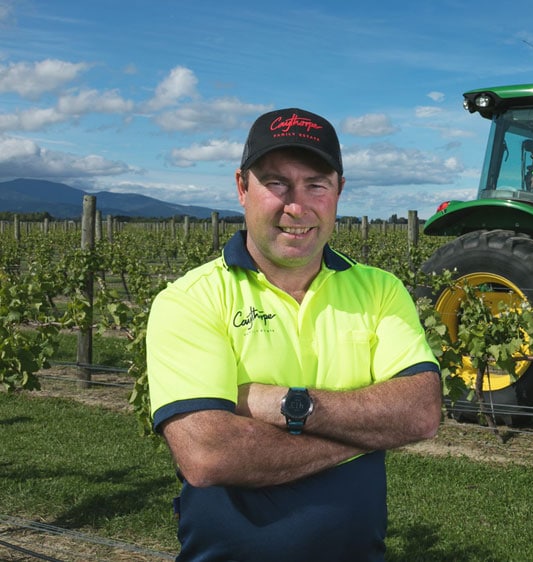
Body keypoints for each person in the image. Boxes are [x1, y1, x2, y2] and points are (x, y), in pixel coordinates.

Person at [146, 107, 442, 561]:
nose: (296, 206)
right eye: (276, 183)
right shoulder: (189, 299)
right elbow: (208, 454)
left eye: (316, 185)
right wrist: (368, 432)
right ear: (242, 187)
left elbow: (420, 411)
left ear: (339, 192)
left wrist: (282, 404)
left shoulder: (381, 289)